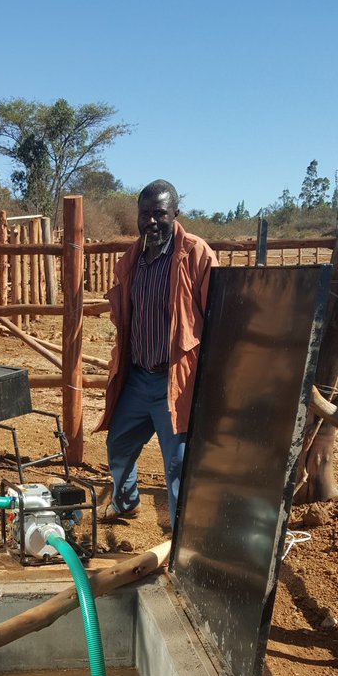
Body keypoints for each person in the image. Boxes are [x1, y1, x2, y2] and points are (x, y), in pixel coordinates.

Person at [96, 179, 218, 528]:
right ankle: (126, 501)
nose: (151, 222)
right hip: (137, 376)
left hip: (174, 379)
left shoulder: (196, 254)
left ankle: (183, 535)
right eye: (145, 214)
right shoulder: (133, 259)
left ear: (176, 213)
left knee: (177, 462)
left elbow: (215, 317)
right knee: (119, 443)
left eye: (159, 214)